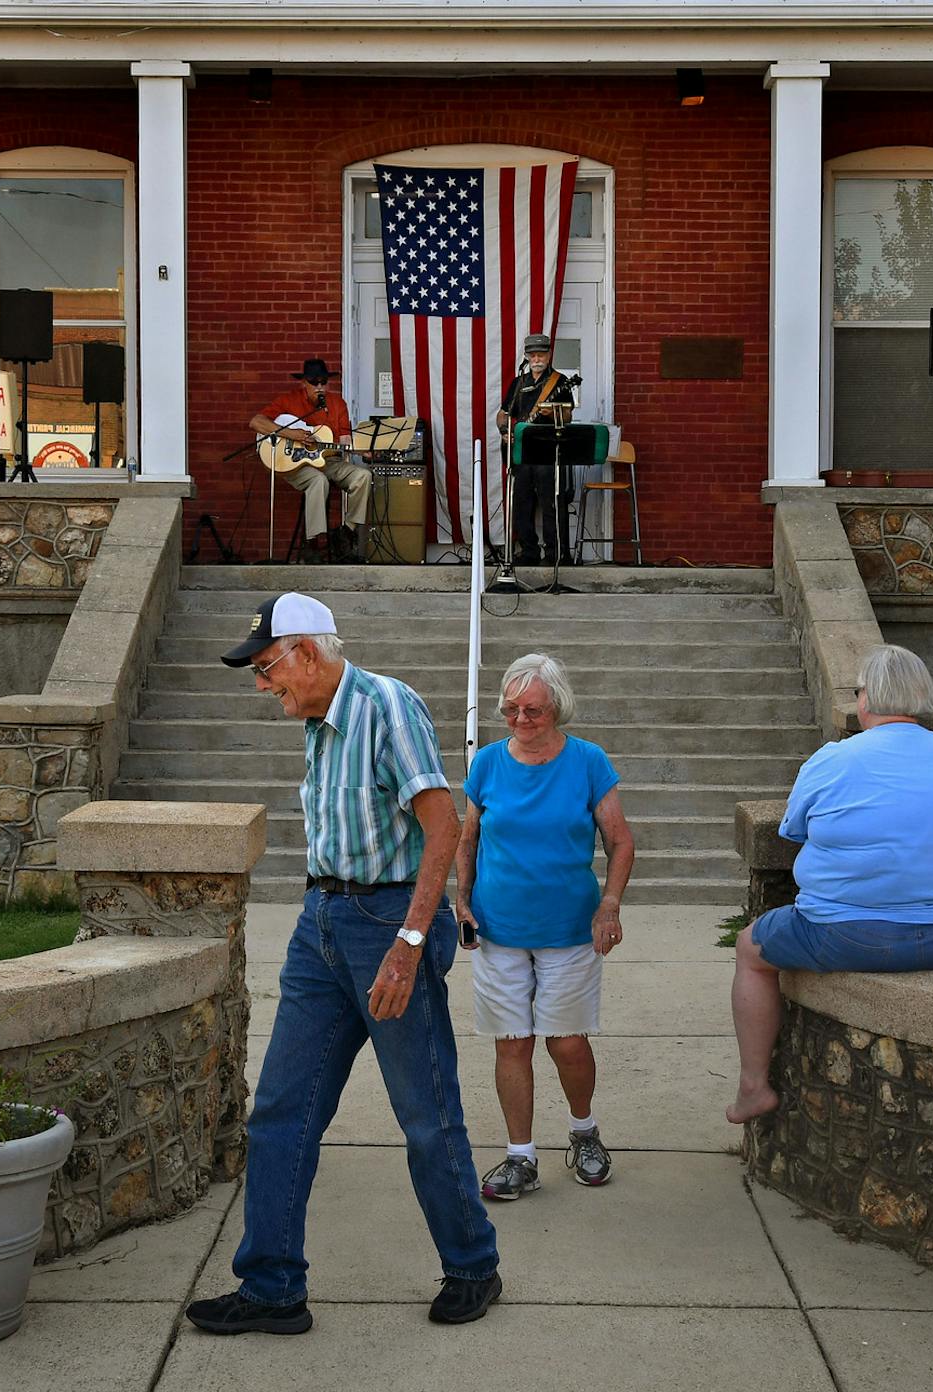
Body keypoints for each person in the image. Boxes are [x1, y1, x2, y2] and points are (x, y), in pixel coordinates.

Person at [185, 592, 501, 1335]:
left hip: (387, 925)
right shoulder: (317, 721)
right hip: (320, 924)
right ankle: (271, 1289)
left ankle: (472, 1267)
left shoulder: (387, 706)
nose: (264, 686)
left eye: (268, 669)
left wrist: (411, 942)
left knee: (425, 1115)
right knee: (280, 1113)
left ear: (307, 652)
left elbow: (443, 826)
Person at [725, 644, 933, 1126]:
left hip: (850, 935)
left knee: (751, 948)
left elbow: (792, 829)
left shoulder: (834, 759)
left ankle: (753, 1087)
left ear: (868, 699)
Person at [457, 654, 634, 1199]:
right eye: (510, 710)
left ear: (556, 706)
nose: (519, 720)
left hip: (568, 930)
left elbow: (620, 841)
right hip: (498, 929)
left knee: (567, 1043)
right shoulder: (486, 763)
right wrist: (460, 901)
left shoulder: (587, 761)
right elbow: (468, 839)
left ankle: (583, 1131)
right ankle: (520, 1155)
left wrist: (609, 906)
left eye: (531, 709)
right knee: (512, 1045)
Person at [251, 357, 372, 562]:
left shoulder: (337, 403)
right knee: (318, 481)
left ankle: (346, 531)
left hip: (329, 460)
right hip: (295, 462)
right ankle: (313, 542)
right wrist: (292, 434)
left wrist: (361, 450)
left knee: (363, 476)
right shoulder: (288, 400)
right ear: (303, 383)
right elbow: (256, 422)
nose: (319, 387)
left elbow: (344, 440)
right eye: (314, 382)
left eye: (323, 382)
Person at [495, 333, 577, 566]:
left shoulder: (559, 382)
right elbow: (503, 413)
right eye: (532, 355)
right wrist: (504, 430)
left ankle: (555, 553)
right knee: (521, 501)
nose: (537, 358)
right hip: (521, 451)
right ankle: (528, 551)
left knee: (551, 501)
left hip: (548, 452)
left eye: (541, 354)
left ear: (549, 355)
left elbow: (568, 415)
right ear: (527, 357)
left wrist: (554, 412)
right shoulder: (518, 382)